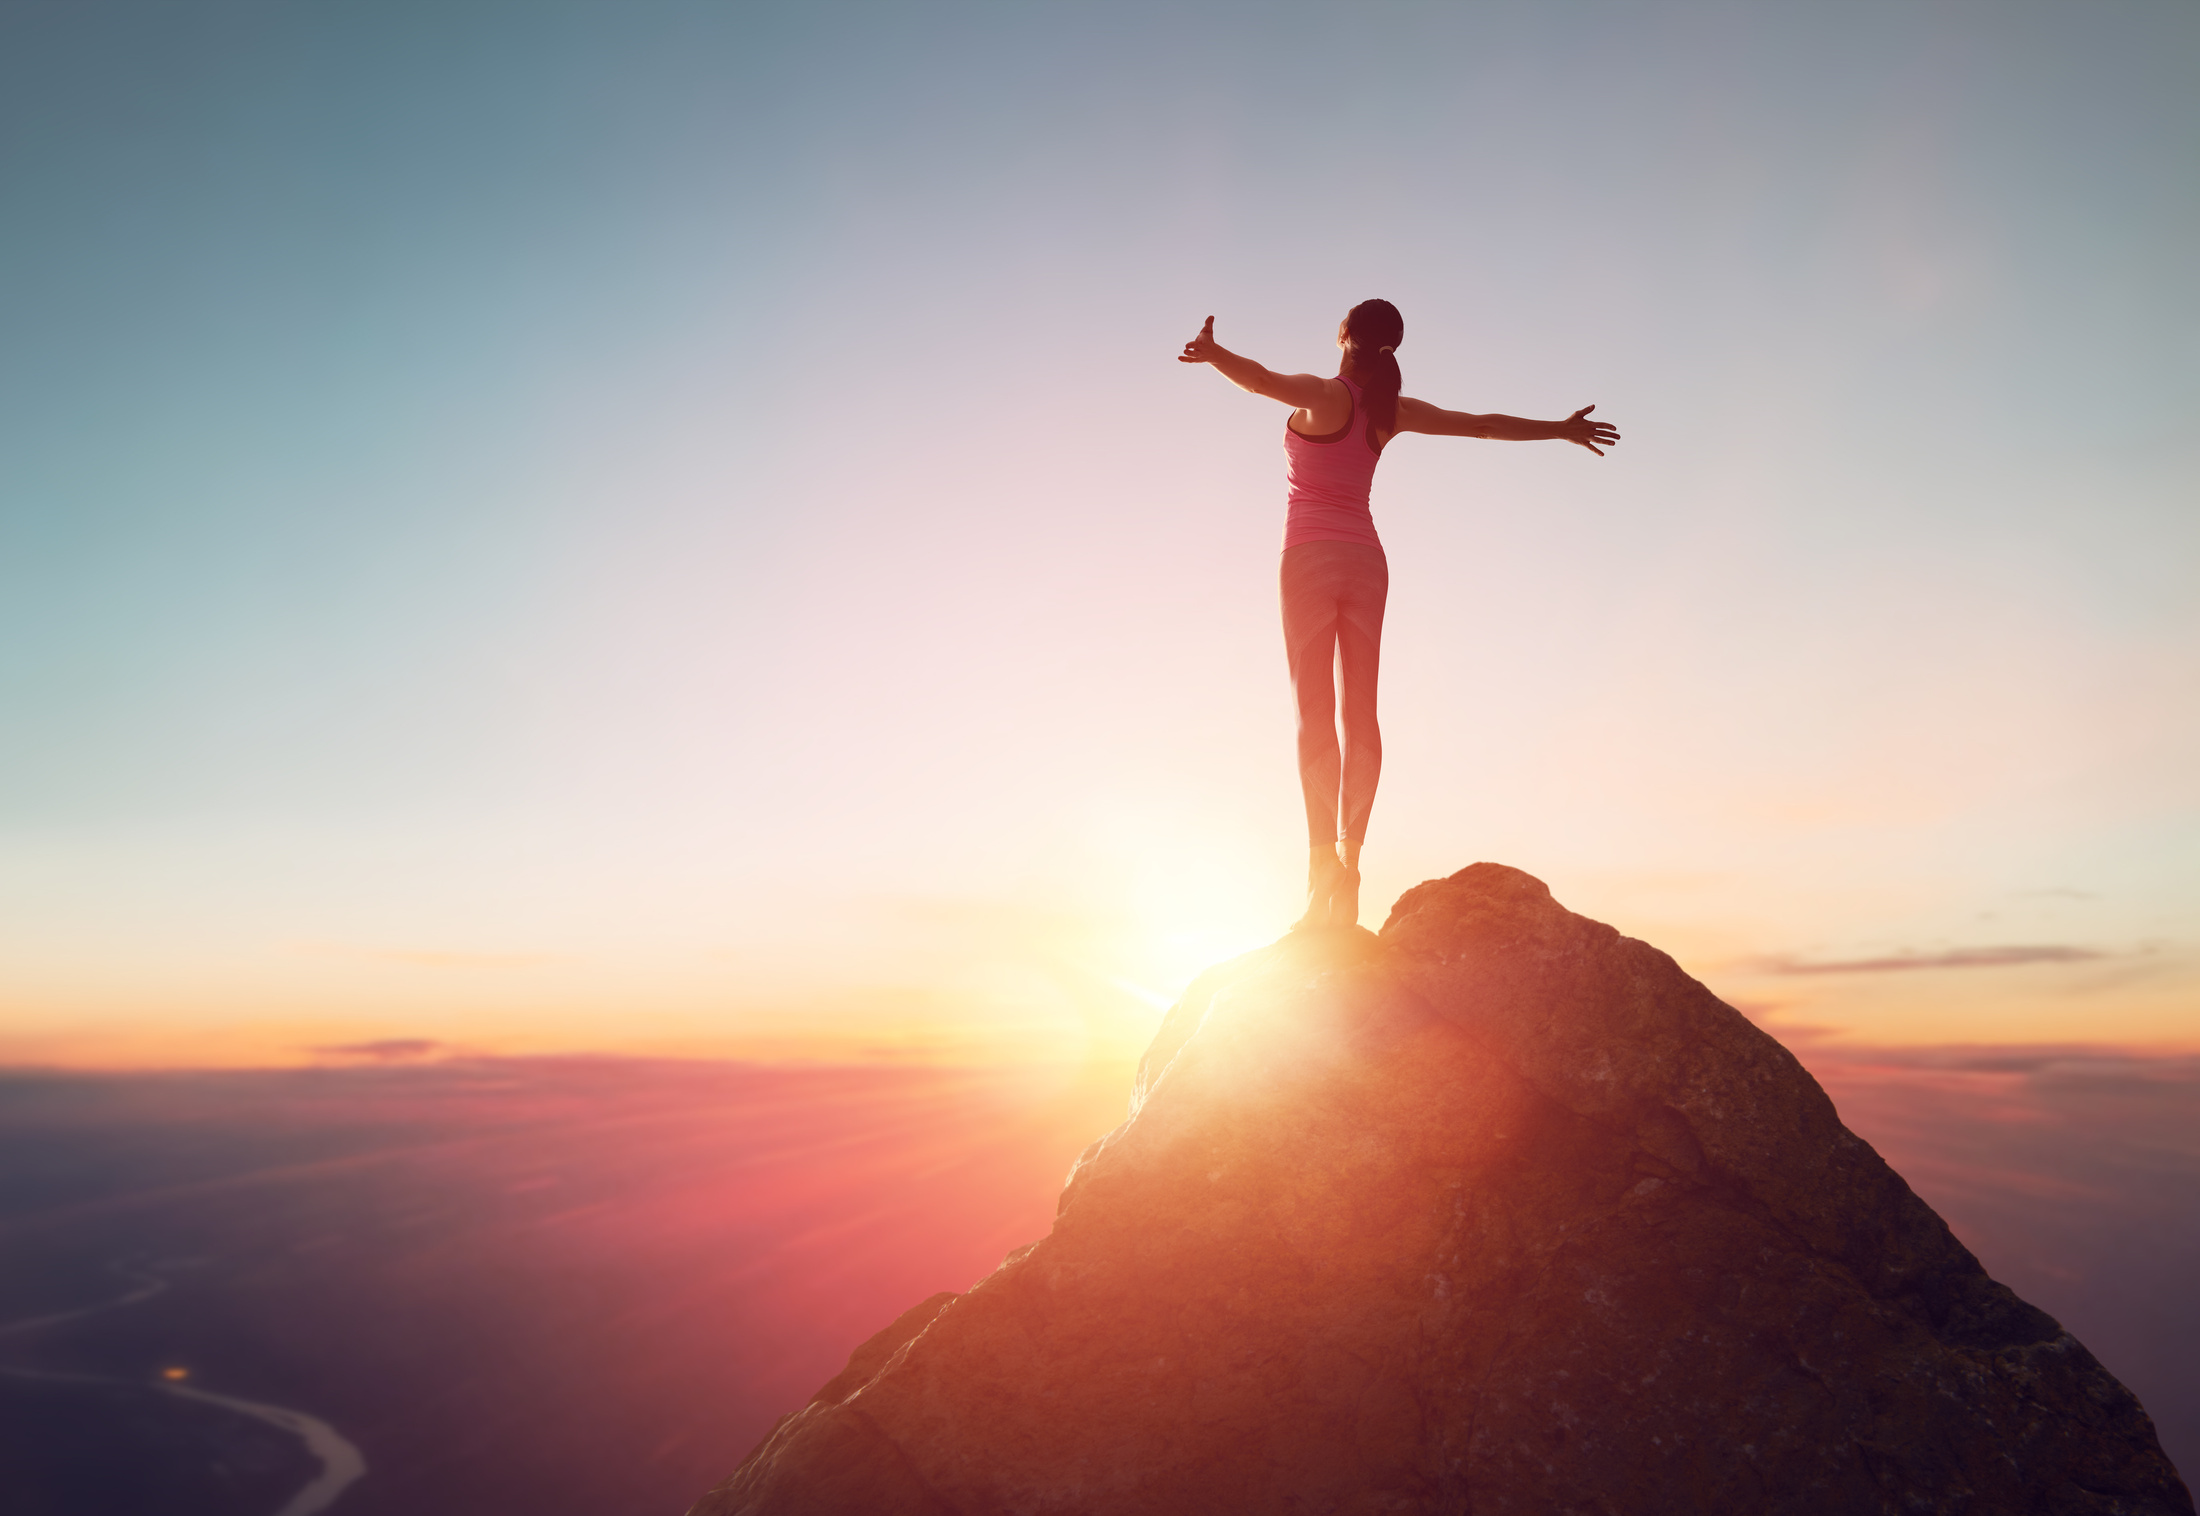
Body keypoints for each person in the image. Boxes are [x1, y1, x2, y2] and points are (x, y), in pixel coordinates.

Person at [1178, 300, 1619, 930]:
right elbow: (1484, 425)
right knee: (1362, 711)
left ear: (1343, 335)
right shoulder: (1392, 413)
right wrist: (1560, 428)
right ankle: (1353, 861)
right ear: (1391, 348)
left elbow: (1258, 380)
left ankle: (1320, 868)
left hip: (1307, 557)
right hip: (1367, 560)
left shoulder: (1320, 395)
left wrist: (1213, 353)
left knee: (1313, 713)